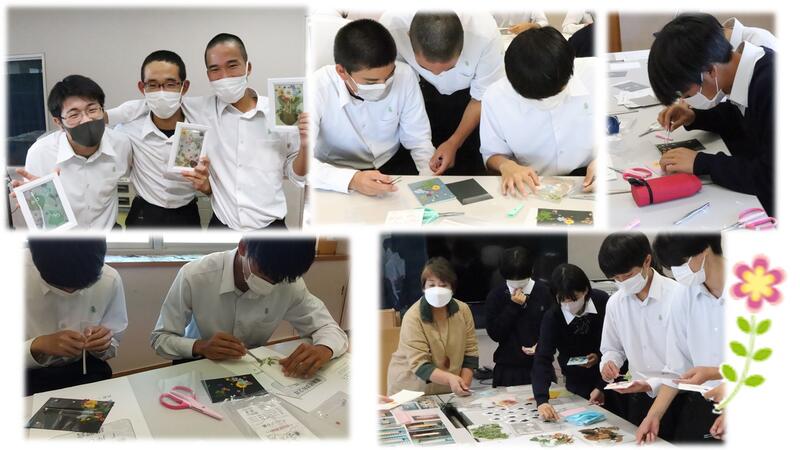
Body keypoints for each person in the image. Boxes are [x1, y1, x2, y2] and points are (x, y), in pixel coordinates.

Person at [109, 33, 309, 230]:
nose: (224, 76)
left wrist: (306, 145)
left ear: (248, 67)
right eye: (215, 69)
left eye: (232, 65)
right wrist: (104, 116)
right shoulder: (201, 109)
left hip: (271, 226)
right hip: (222, 224)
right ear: (208, 75)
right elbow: (150, 103)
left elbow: (296, 175)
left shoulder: (281, 113)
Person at [150, 237, 348, 378]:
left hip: (250, 368)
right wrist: (200, 346)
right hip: (197, 363)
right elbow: (160, 339)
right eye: (264, 273)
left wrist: (324, 349)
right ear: (243, 247)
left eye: (278, 279)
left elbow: (329, 328)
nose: (270, 283)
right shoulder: (195, 275)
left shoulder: (289, 283)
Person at [649, 13, 775, 215]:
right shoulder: (742, 72)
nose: (686, 100)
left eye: (686, 94)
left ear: (709, 71)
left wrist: (701, 163)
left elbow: (770, 178)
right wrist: (695, 117)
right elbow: (739, 117)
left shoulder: (770, 85)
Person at [310, 19, 436, 195]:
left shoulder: (404, 75)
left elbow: (418, 139)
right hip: (334, 173)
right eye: (371, 82)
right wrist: (352, 180)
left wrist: (429, 179)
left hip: (391, 166)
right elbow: (299, 162)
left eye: (389, 76)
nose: (383, 86)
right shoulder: (316, 87)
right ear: (342, 71)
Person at [380, 11, 504, 175]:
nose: (437, 74)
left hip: (468, 102)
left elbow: (482, 96)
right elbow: (397, 82)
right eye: (425, 67)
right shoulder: (392, 27)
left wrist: (454, 142)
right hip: (418, 98)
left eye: (449, 68)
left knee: (469, 172)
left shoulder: (484, 33)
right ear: (408, 36)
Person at [481, 27, 596, 197]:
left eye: (555, 95)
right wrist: (506, 166)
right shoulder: (495, 97)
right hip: (531, 185)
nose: (547, 103)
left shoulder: (596, 75)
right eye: (536, 100)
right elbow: (492, 153)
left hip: (589, 179)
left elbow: (623, 133)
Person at [635, 234, 726, 444]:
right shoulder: (683, 295)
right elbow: (677, 368)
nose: (677, 272)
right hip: (704, 403)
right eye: (672, 267)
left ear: (705, 249)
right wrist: (653, 415)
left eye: (681, 263)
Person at [18, 75, 132, 229]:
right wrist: (39, 201)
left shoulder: (121, 144)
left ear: (102, 110)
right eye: (74, 115)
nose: (86, 119)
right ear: (59, 122)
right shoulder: (41, 154)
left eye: (92, 109)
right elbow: (38, 215)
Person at [597, 232, 682, 439]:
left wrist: (653, 383)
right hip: (638, 396)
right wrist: (609, 363)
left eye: (627, 276)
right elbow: (611, 348)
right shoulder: (615, 303)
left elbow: (686, 361)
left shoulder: (678, 296)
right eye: (615, 278)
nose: (622, 282)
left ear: (647, 261)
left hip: (679, 396)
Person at [116, 50, 210, 228]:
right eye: (152, 85)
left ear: (184, 86)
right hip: (143, 214)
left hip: (187, 214)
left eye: (170, 84)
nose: (161, 92)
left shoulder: (200, 130)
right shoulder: (127, 130)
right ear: (142, 87)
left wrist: (207, 186)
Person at [25, 238, 128, 395]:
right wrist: (38, 345)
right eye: (58, 286)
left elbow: (112, 345)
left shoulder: (109, 279)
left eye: (81, 287)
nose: (69, 292)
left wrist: (103, 343)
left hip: (85, 370)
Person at [386, 257, 479, 396]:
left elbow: (470, 352)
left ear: (452, 288)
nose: (437, 290)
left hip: (447, 389)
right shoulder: (413, 316)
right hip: (411, 390)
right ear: (424, 288)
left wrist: (464, 384)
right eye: (432, 285)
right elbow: (419, 364)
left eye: (443, 285)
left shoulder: (463, 310)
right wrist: (451, 379)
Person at [533, 264, 609, 421]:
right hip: (576, 380)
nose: (568, 304)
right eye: (562, 299)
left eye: (573, 299)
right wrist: (542, 400)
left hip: (609, 376)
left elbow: (617, 345)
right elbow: (542, 358)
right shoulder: (553, 316)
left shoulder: (602, 302)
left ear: (586, 290)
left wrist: (601, 384)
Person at [485, 247, 554, 387]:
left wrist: (542, 345)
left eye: (520, 279)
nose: (517, 283)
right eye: (512, 279)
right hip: (507, 369)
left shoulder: (544, 293)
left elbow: (554, 329)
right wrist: (513, 306)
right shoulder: (496, 295)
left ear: (531, 271)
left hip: (540, 365)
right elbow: (495, 334)